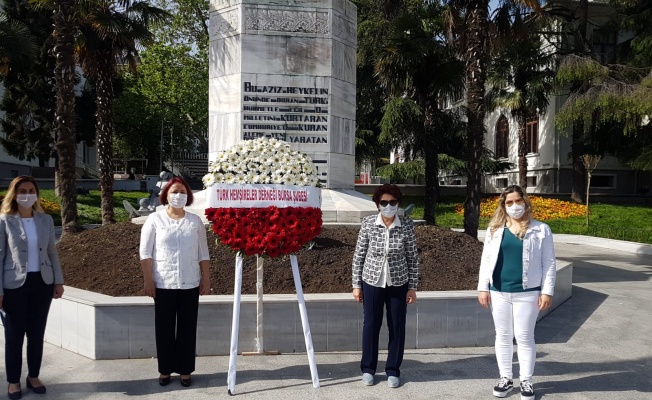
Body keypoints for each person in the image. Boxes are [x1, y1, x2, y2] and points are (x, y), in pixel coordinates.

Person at [477, 185, 556, 400]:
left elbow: (548, 262)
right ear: (504, 205)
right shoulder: (495, 229)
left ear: (525, 202)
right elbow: (486, 260)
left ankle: (526, 381)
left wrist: (547, 291)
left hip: (528, 292)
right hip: (499, 291)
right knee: (502, 335)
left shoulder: (541, 229)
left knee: (524, 336)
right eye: (509, 202)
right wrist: (483, 287)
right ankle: (505, 379)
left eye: (518, 201)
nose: (514, 206)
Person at [139, 177, 211, 388]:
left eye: (182, 192)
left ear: (188, 196)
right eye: (174, 191)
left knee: (188, 328)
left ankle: (185, 370)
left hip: (190, 282)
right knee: (164, 328)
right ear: (166, 195)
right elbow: (145, 252)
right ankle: (165, 370)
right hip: (163, 283)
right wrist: (148, 279)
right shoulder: (155, 220)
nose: (178, 195)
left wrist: (206, 278)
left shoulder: (195, 221)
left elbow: (203, 253)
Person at [0, 176, 65, 400]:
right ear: (14, 194)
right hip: (14, 285)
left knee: (36, 334)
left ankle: (34, 376)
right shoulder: (5, 220)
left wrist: (58, 281)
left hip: (42, 284)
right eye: (22, 191)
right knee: (14, 335)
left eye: (31, 190)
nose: (27, 194)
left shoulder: (45, 220)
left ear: (37, 193)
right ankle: (13, 380)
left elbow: (51, 252)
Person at [351, 184, 419, 389]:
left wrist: (413, 287)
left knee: (396, 326)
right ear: (377, 204)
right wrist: (356, 285)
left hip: (398, 282)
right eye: (384, 202)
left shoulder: (406, 225)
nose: (388, 206)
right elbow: (359, 255)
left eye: (392, 202)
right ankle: (368, 368)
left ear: (398, 203)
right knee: (371, 325)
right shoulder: (369, 223)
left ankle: (393, 370)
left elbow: (413, 257)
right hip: (371, 281)